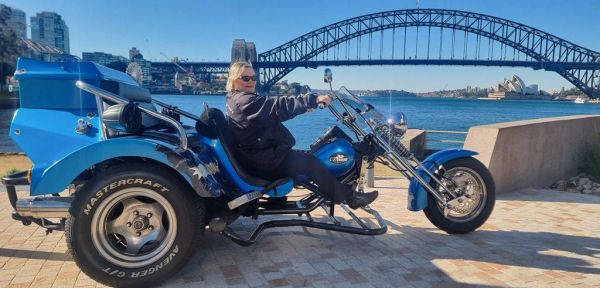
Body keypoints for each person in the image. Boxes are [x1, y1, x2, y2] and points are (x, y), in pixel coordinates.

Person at [225, 61, 378, 209]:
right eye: (245, 78)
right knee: (312, 163)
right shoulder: (245, 101)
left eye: (253, 78)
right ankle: (350, 198)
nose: (251, 81)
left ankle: (281, 198)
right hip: (265, 159)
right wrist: (312, 100)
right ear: (234, 80)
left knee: (311, 155)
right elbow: (277, 106)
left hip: (261, 153)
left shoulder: (235, 98)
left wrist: (305, 107)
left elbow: (269, 111)